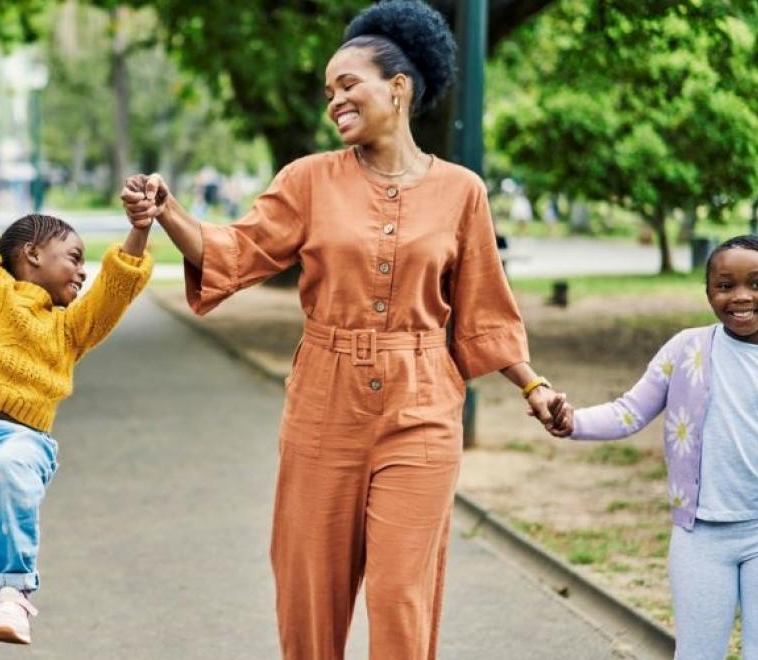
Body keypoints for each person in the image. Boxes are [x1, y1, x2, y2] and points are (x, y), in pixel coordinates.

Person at [120, 1, 564, 658]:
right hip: (324, 404)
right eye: (329, 91)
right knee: (309, 592)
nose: (335, 101)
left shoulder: (462, 192)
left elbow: (485, 309)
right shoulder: (307, 181)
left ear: (399, 87)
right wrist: (168, 211)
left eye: (348, 83)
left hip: (421, 404)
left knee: (399, 595)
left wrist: (534, 389)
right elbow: (234, 252)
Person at [0, 102, 154, 645]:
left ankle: (14, 594)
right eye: (73, 256)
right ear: (31, 255)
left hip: (25, 442)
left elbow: (115, 290)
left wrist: (140, 229)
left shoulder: (71, 328)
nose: (82, 269)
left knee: (10, 467)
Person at [550, 236, 758, 660]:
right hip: (700, 535)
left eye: (755, 283)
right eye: (724, 285)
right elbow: (629, 412)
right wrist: (573, 422)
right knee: (697, 653)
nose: (741, 296)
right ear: (707, 292)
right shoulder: (687, 349)